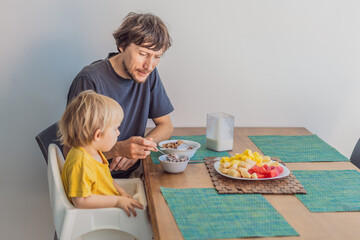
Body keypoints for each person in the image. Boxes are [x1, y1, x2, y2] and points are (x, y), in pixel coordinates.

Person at [66, 12, 174, 178]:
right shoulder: (89, 80)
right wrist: (117, 149)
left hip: (134, 174)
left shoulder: (148, 74)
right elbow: (70, 151)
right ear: (122, 46)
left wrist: (139, 148)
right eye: (143, 54)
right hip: (96, 181)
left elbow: (166, 125)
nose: (149, 65)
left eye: (157, 57)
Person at [58, 90, 143, 216]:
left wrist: (121, 193)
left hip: (105, 208)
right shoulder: (81, 161)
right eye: (115, 129)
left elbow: (107, 179)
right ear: (98, 135)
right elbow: (81, 201)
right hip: (95, 216)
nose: (118, 133)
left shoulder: (94, 152)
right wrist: (117, 201)